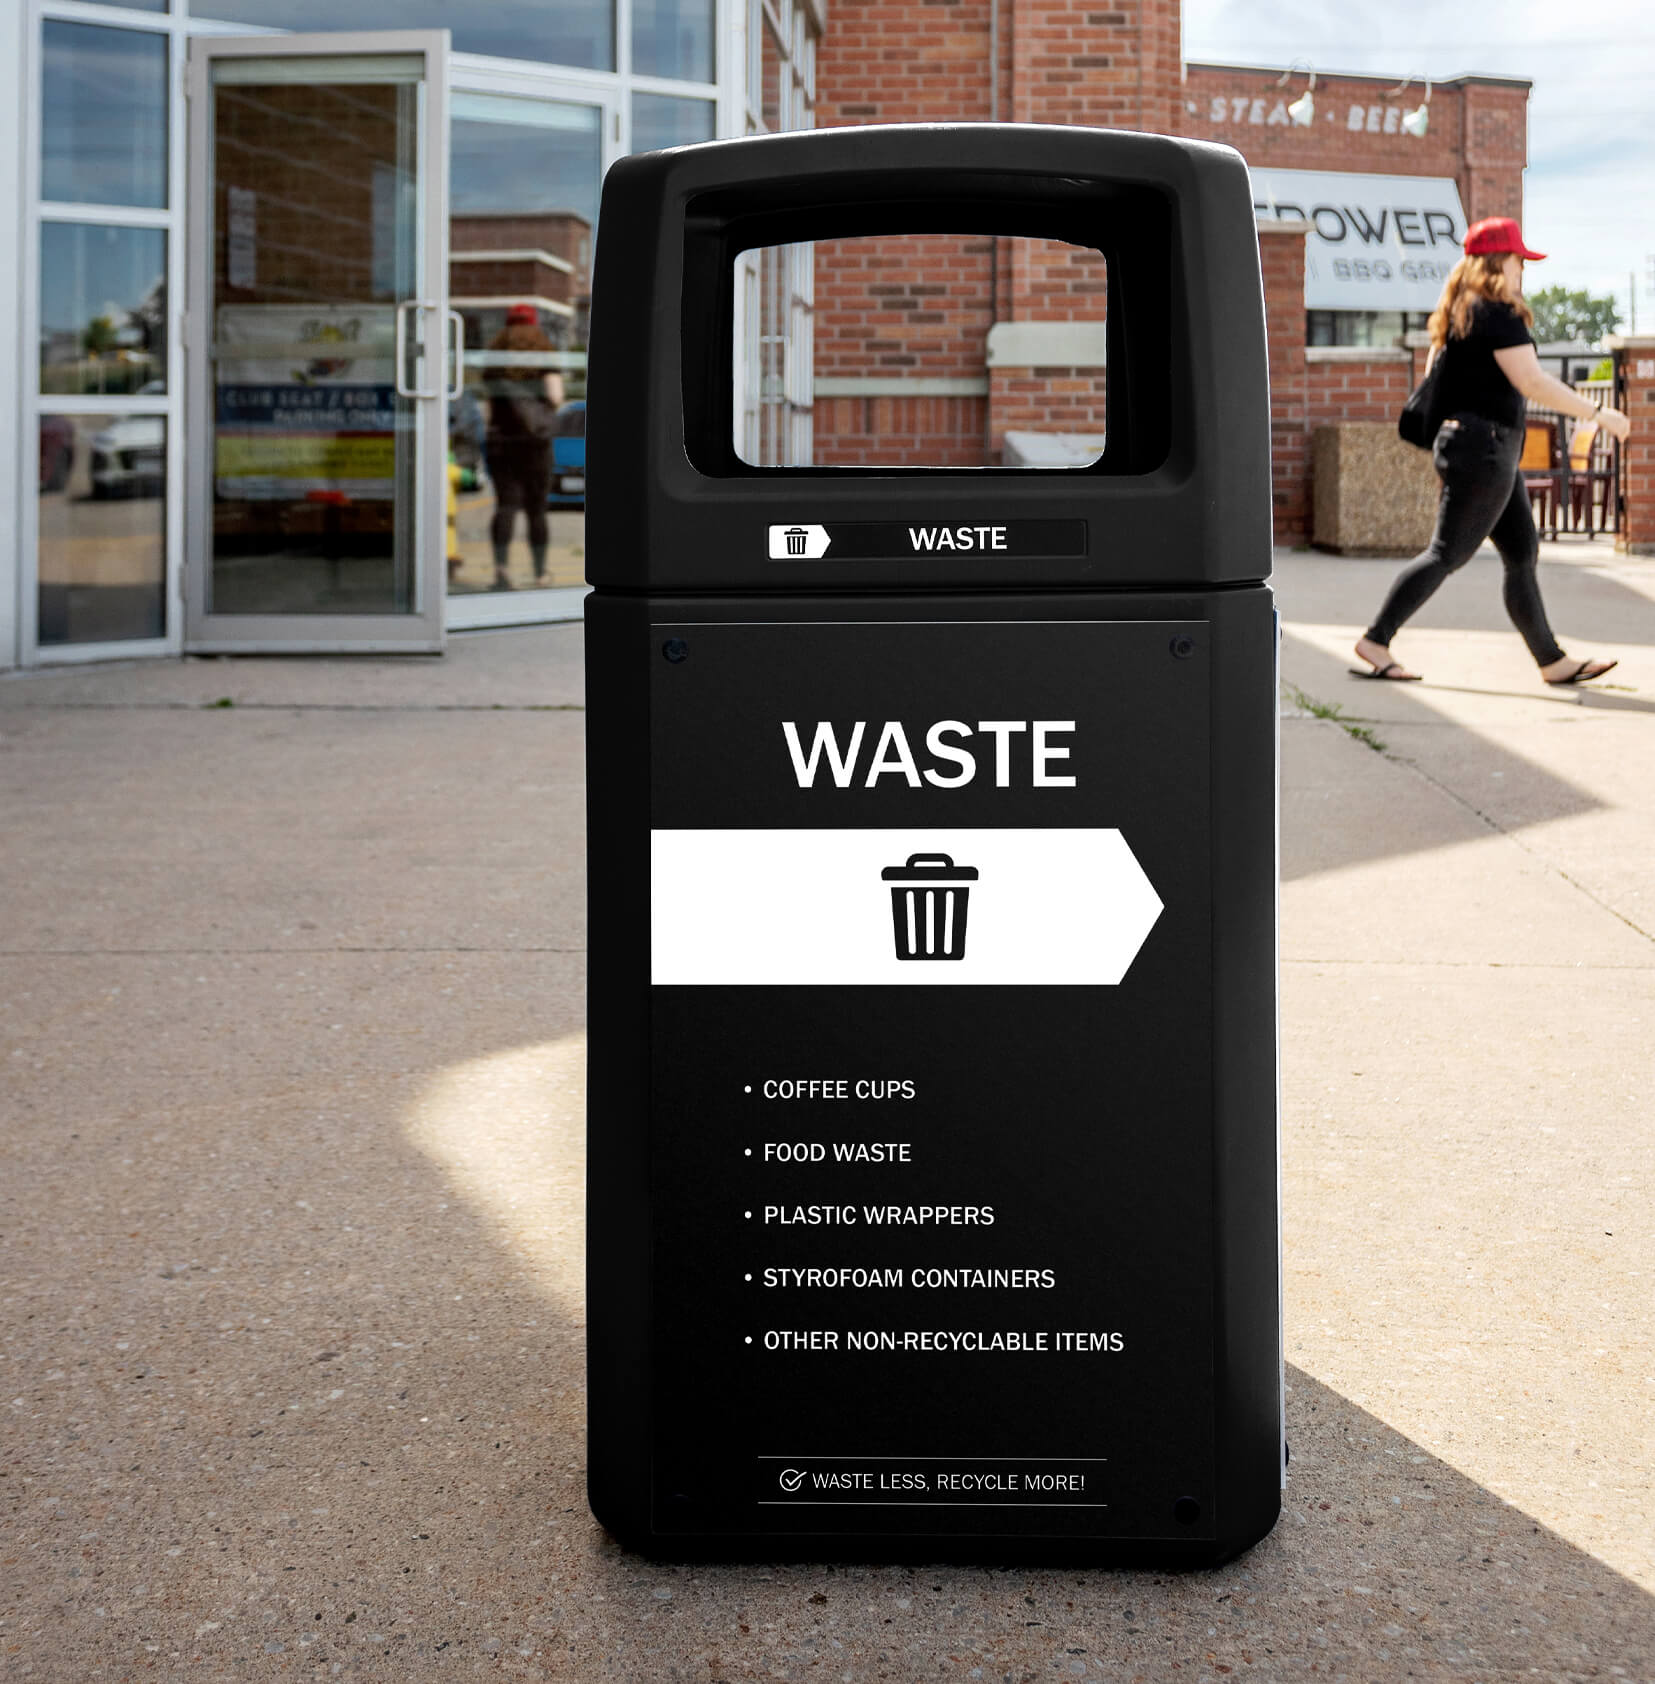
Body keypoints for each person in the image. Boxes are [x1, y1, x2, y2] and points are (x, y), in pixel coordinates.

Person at [1353, 217, 1632, 686]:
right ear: (1498, 262)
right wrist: (1600, 414)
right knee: (1446, 554)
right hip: (1485, 450)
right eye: (1520, 260)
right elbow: (1532, 382)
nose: (1524, 269)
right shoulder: (1495, 313)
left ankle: (1552, 661)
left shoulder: (1459, 314)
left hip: (1481, 448)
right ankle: (1376, 640)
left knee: (1521, 554)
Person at [481, 305, 565, 590]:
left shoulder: (495, 364)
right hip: (535, 445)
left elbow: (489, 406)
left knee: (505, 506)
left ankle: (501, 571)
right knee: (536, 510)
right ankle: (540, 574)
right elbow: (556, 397)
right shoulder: (544, 359)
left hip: (502, 441)